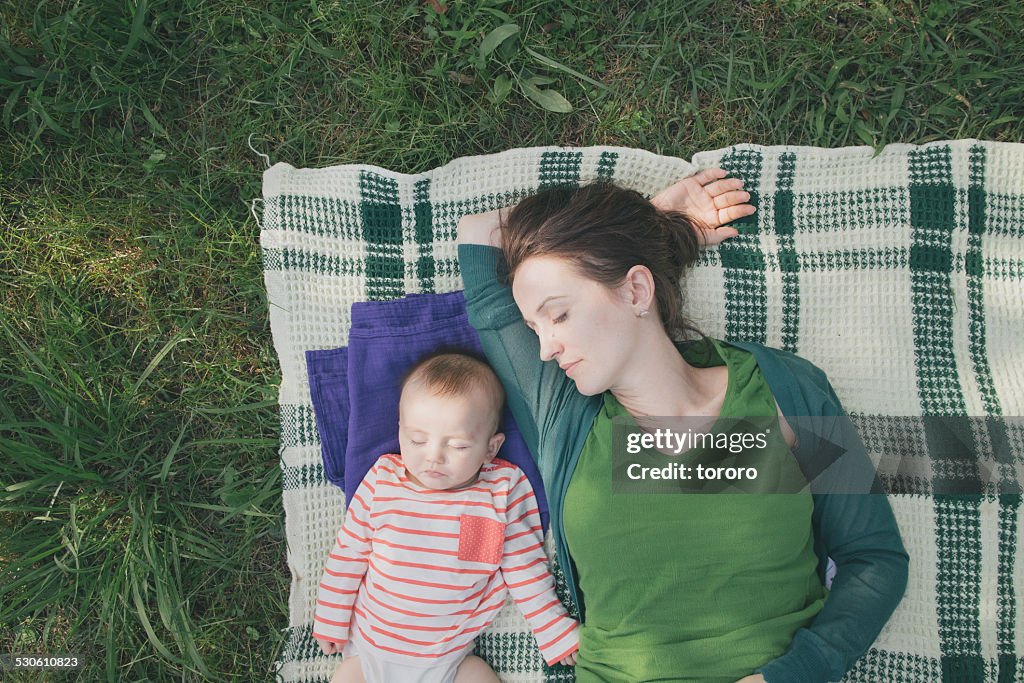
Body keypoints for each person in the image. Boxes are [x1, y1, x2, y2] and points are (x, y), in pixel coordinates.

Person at [455, 168, 909, 683]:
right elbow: (478, 233)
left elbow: (873, 559)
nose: (543, 348)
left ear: (635, 291)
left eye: (557, 315)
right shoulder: (564, 412)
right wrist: (653, 221)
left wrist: (788, 676)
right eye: (534, 326)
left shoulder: (786, 389)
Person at [312, 350, 580, 683]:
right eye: (417, 440)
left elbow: (523, 567)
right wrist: (330, 616)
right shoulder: (383, 480)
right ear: (400, 431)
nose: (433, 457)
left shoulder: (497, 493)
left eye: (457, 446)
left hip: (450, 661)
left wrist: (552, 627)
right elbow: (349, 552)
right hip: (369, 655)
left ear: (491, 448)